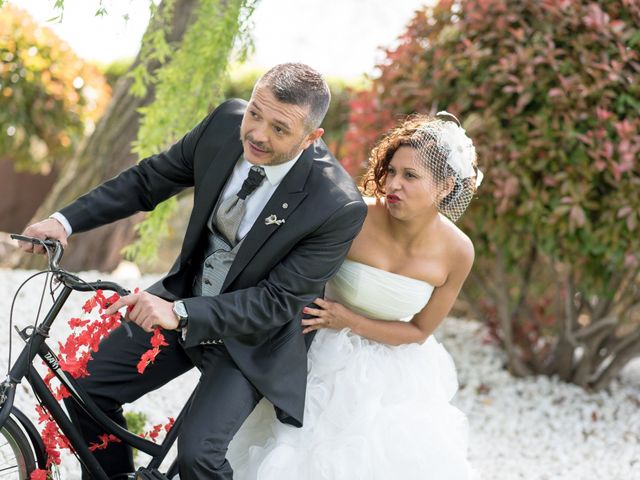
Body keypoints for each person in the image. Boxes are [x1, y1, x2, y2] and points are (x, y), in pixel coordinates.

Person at [19, 63, 367, 480]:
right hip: (186, 296)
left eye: (279, 129)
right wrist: (65, 221)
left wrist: (181, 313)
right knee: (85, 392)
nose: (257, 134)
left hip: (251, 340)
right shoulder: (224, 124)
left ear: (312, 137)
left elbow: (276, 302)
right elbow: (148, 180)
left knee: (198, 456)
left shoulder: (336, 204)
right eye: (255, 113)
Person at [225, 113, 482, 479]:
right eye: (391, 171)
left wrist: (351, 321)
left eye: (410, 176)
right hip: (320, 344)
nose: (393, 183)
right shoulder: (354, 215)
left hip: (396, 369)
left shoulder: (458, 251)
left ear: (444, 187)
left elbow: (420, 330)